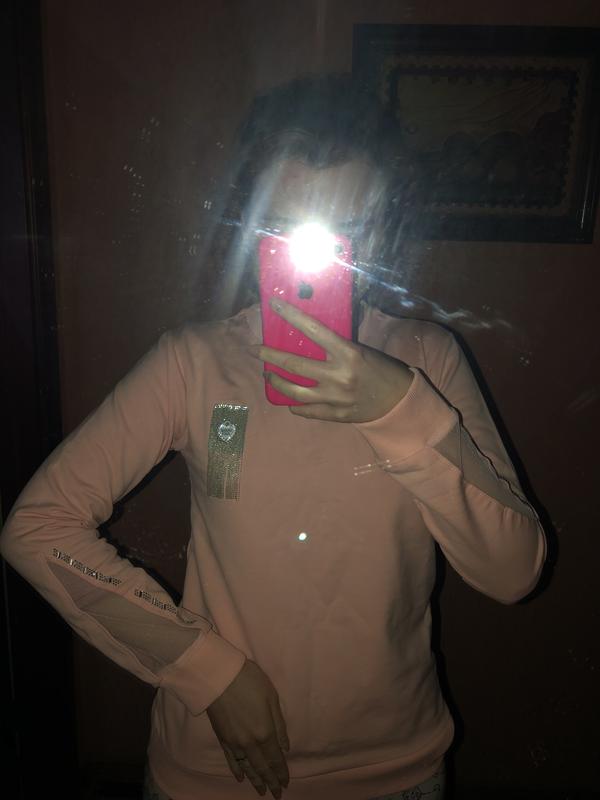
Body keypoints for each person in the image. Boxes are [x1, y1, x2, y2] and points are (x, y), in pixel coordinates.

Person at [0, 75, 546, 800]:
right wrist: (205, 671)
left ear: (383, 229)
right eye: (287, 226)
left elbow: (513, 572)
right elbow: (38, 527)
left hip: (397, 772)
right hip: (214, 772)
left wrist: (398, 408)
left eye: (351, 228)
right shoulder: (192, 363)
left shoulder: (427, 361)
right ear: (252, 229)